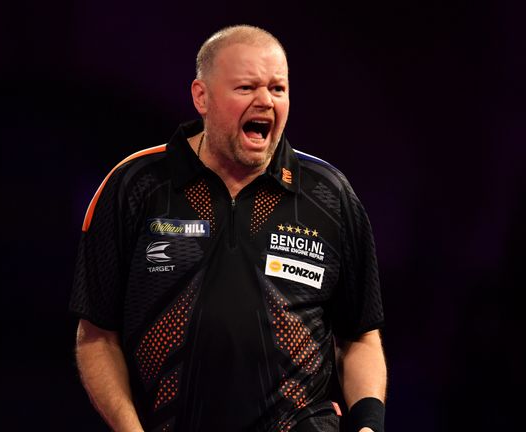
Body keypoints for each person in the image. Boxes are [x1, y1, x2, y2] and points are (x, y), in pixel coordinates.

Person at [69, 25, 387, 432]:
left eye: (277, 88)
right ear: (201, 96)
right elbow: (97, 337)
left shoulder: (329, 195)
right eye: (246, 88)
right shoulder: (136, 186)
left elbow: (360, 337)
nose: (265, 101)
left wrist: (368, 426)